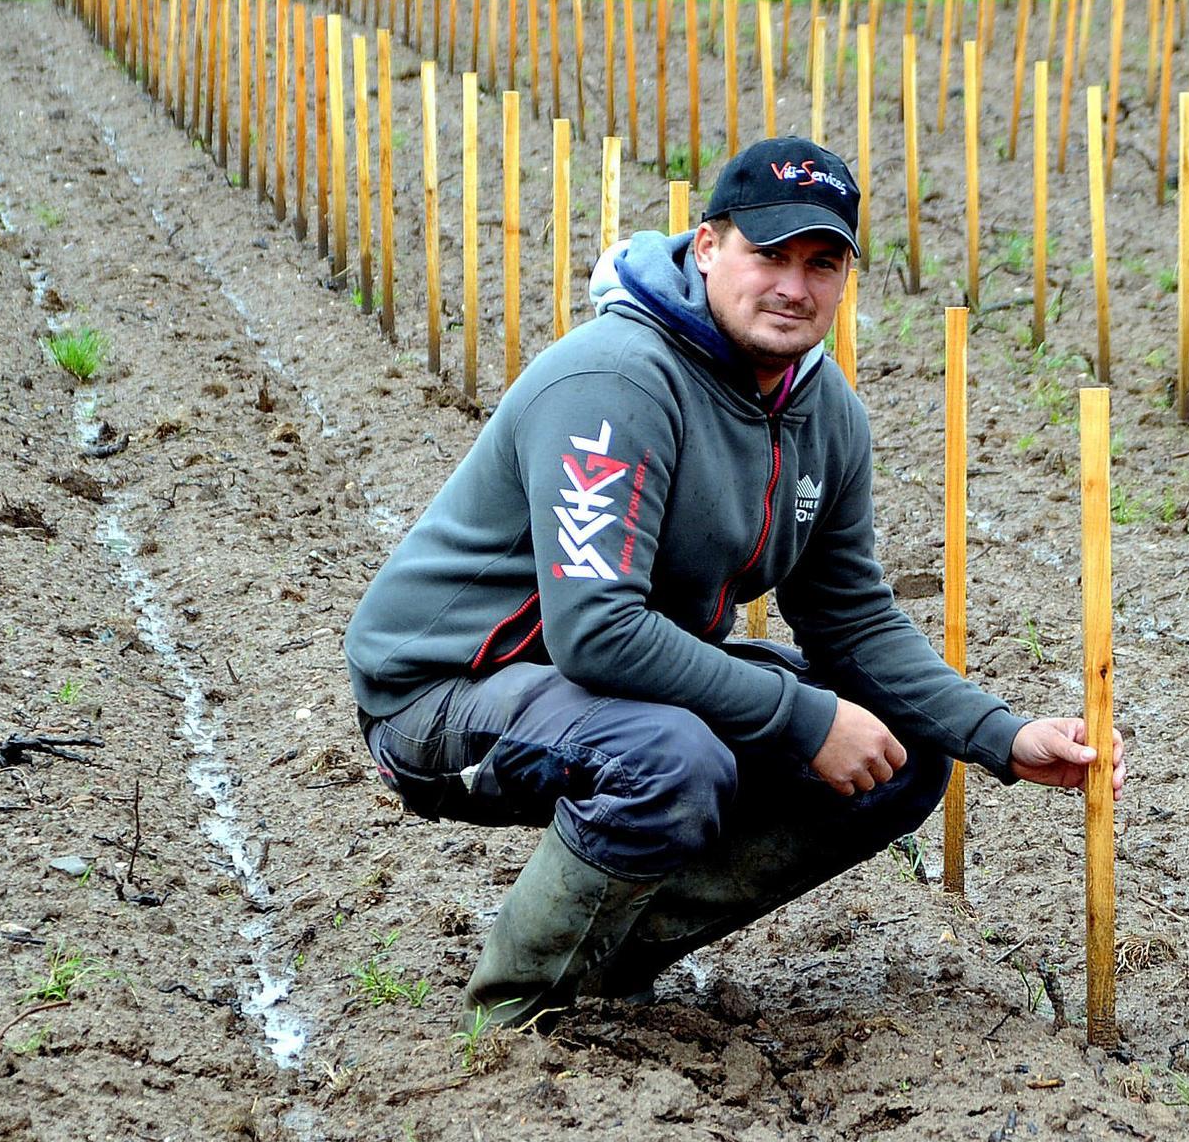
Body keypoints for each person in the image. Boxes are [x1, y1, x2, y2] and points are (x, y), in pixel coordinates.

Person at [344, 136, 1124, 1029]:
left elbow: (853, 623)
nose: (795, 285)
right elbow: (595, 632)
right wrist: (804, 717)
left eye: (821, 263)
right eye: (769, 254)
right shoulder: (615, 380)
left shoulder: (823, 412)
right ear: (708, 246)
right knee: (671, 759)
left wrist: (1002, 732)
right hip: (446, 694)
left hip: (602, 693)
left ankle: (611, 949)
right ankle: (515, 1010)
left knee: (903, 754)